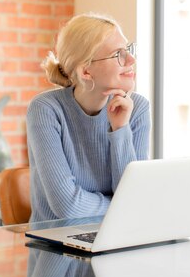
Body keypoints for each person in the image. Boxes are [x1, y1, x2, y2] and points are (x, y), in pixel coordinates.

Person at [26, 13, 150, 222]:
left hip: (118, 238)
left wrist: (120, 129)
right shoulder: (46, 110)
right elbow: (67, 207)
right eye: (118, 54)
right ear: (86, 71)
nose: (131, 60)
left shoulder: (137, 108)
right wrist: (124, 205)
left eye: (128, 50)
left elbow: (132, 199)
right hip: (57, 246)